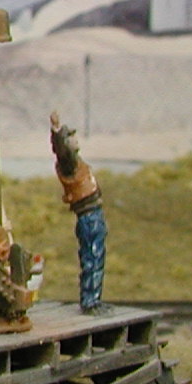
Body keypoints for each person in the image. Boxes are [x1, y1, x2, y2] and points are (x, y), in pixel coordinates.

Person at [50, 112, 109, 315]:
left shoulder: (77, 162)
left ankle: (94, 299)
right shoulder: (69, 164)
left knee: (96, 257)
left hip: (94, 215)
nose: (76, 141)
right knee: (92, 257)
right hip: (89, 217)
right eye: (72, 138)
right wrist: (56, 131)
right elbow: (61, 152)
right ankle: (90, 301)